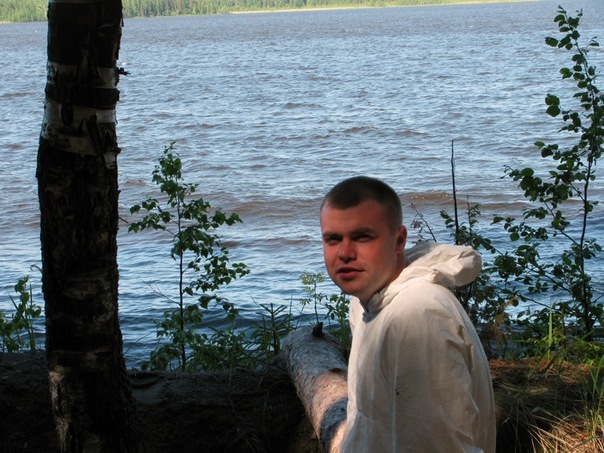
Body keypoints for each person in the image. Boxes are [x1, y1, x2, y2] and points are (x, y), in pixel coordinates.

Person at [319, 176, 496, 453]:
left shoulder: (417, 316)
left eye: (362, 237)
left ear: (399, 240)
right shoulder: (366, 303)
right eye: (333, 239)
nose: (344, 253)